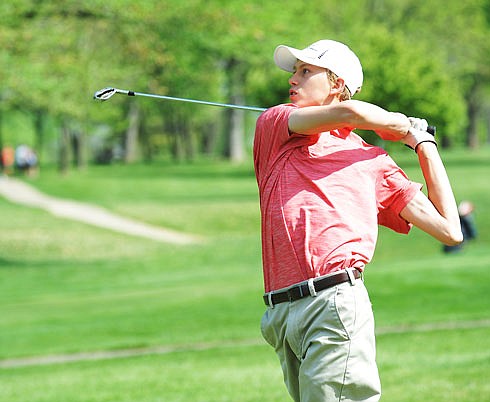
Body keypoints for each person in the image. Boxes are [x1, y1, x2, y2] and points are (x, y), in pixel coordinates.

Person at [253, 39, 463, 402]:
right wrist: (398, 123)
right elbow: (353, 115)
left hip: (333, 301)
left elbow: (450, 230)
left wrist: (422, 143)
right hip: (281, 314)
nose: (293, 80)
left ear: (336, 83)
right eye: (294, 72)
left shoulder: (373, 163)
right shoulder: (275, 126)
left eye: (306, 71)